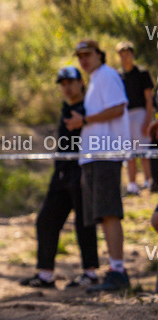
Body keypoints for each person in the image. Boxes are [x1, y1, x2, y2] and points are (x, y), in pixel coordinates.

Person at [20, 66, 100, 289]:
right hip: (62, 172)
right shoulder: (67, 107)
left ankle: (91, 274)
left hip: (82, 170)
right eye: (62, 83)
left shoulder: (90, 108)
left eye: (70, 82)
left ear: (80, 82)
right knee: (46, 219)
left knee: (85, 223)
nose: (66, 87)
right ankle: (45, 275)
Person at [65, 39, 133, 293]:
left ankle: (119, 271)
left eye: (88, 54)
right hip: (94, 157)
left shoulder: (107, 75)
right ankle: (115, 268)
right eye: (79, 55)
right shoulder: (95, 80)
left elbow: (118, 107)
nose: (83, 60)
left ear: (99, 55)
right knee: (104, 215)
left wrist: (85, 120)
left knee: (110, 213)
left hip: (106, 154)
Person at [116, 42, 154, 194]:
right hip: (124, 116)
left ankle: (148, 180)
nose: (125, 57)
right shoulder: (118, 76)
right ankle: (132, 184)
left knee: (143, 150)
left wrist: (147, 121)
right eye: (122, 54)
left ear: (132, 54)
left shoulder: (142, 73)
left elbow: (149, 99)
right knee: (128, 152)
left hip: (140, 114)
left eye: (127, 53)